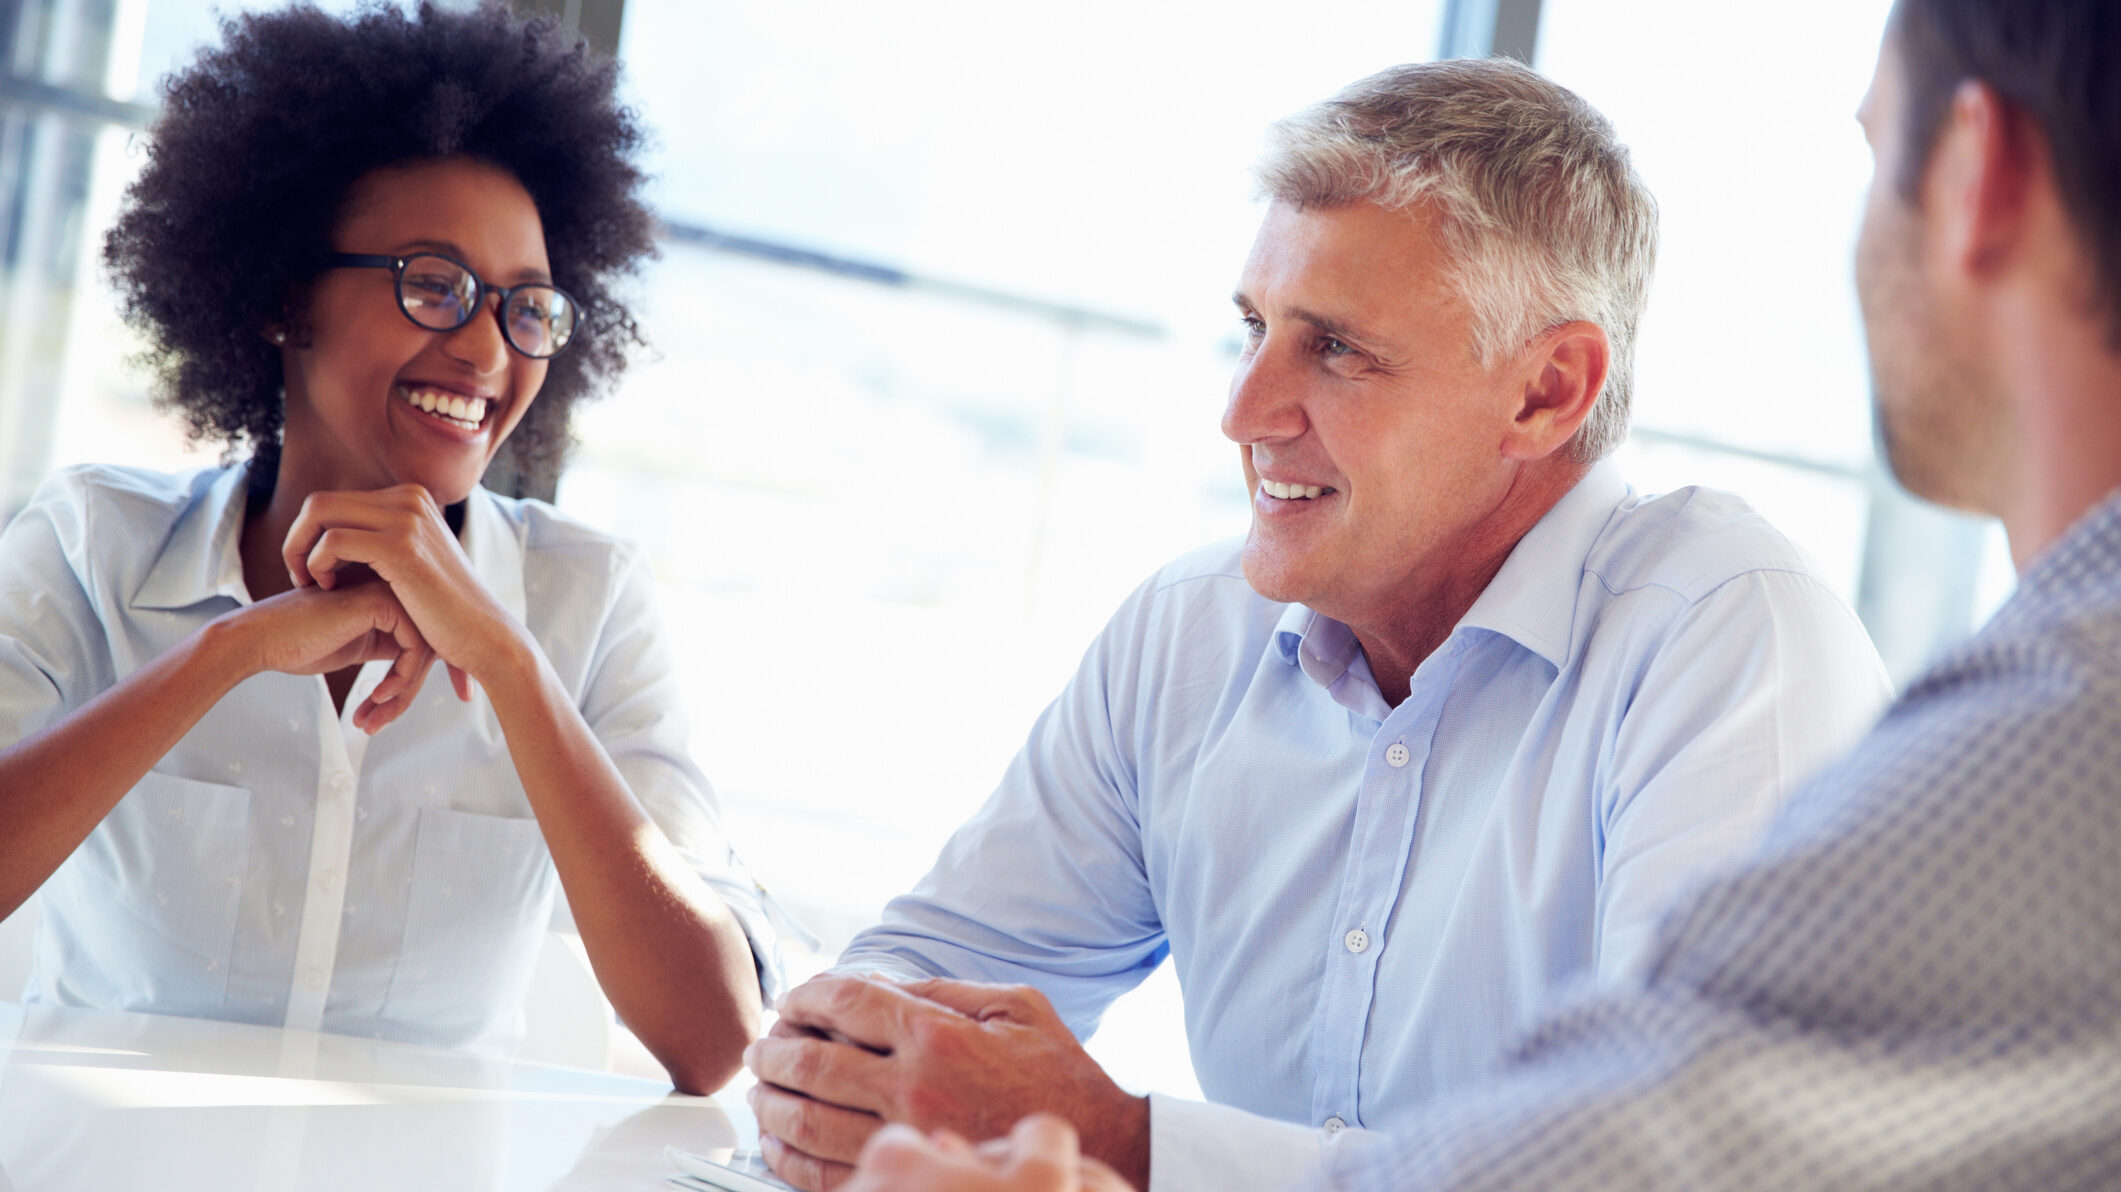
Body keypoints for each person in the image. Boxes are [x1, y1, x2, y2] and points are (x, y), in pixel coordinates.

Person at [831, 0, 2121, 1187]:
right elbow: (916, 982)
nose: (1241, 414)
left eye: (1336, 348)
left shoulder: (1746, 641)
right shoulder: (1191, 630)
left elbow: (1654, 1158)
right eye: (1252, 328)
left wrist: (1131, 1145)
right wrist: (840, 1065)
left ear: (1547, 392)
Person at [0, 2, 772, 1093]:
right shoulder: (95, 544)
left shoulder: (586, 601)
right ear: (282, 296)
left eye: (527, 308)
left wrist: (506, 661)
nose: (484, 350)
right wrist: (230, 655)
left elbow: (717, 1038)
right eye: (433, 284)